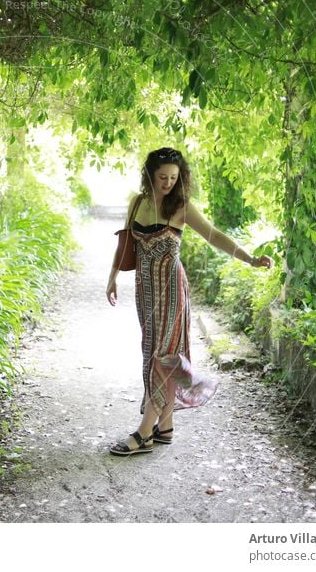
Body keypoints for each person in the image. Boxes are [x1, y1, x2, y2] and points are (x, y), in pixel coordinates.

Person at [105, 147, 273, 456]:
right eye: (162, 177)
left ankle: (144, 433)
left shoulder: (182, 207)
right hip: (145, 290)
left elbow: (214, 235)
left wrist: (249, 259)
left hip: (171, 289)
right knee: (151, 353)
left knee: (163, 354)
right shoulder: (137, 203)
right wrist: (112, 277)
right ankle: (165, 425)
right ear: (149, 176)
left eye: (173, 177)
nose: (168, 182)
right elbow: (126, 242)